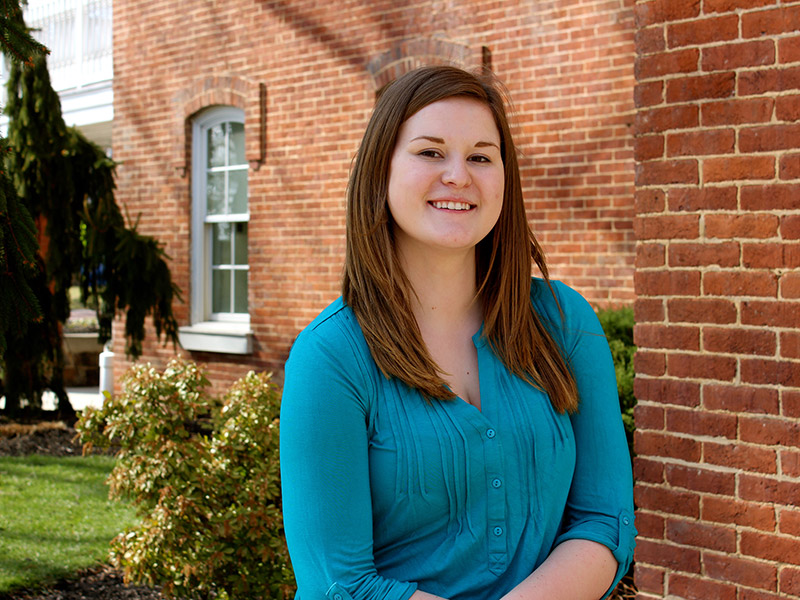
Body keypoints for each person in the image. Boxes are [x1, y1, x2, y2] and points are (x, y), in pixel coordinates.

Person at [279, 65, 636, 600]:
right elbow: (339, 585)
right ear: (381, 171)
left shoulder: (564, 324)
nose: (458, 175)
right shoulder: (331, 356)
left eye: (480, 157)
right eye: (429, 152)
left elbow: (606, 520)